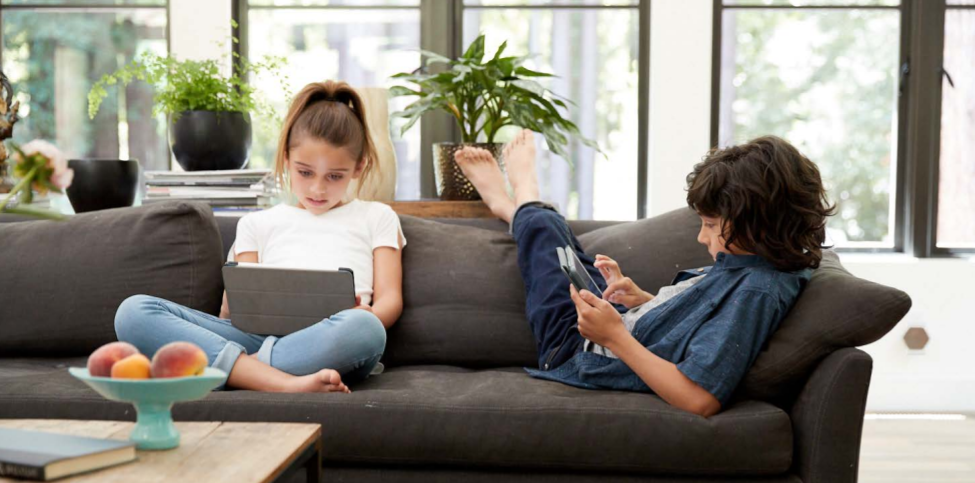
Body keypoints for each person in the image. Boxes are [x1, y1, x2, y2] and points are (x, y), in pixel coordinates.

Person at [454, 131, 830, 417]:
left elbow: (700, 398)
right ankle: (524, 211)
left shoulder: (758, 292)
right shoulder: (756, 265)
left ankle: (518, 200)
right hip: (620, 326)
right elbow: (702, 322)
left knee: (547, 244)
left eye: (711, 225)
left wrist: (615, 337)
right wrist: (645, 300)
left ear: (761, 221)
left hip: (573, 349)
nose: (701, 237)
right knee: (567, 253)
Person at [115, 80, 405, 394]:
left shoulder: (377, 216)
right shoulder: (257, 224)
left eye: (335, 176)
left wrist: (368, 314)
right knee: (133, 312)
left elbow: (390, 299)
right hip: (254, 337)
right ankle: (282, 382)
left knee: (366, 329)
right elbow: (238, 316)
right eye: (305, 172)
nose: (317, 189)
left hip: (329, 340)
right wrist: (232, 305)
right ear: (285, 158)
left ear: (359, 167)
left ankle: (241, 372)